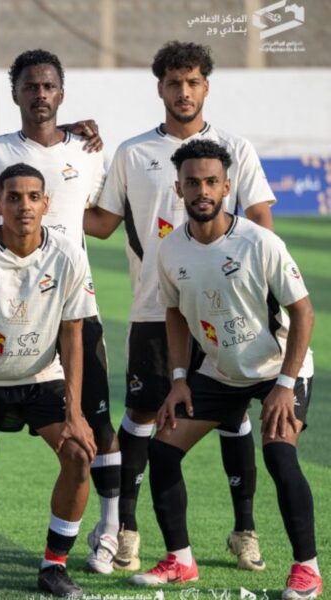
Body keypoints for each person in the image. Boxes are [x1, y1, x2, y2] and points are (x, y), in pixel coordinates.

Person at [85, 41, 275, 573]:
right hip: (154, 308)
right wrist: (53, 190)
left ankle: (244, 531)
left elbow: (260, 219)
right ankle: (126, 530)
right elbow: (102, 223)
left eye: (192, 82)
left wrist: (260, 291)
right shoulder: (132, 153)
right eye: (174, 82)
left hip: (223, 314)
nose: (183, 91)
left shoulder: (235, 147)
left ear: (206, 86)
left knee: (231, 415)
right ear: (160, 88)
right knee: (143, 413)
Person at [0, 48, 118, 576]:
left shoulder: (87, 151)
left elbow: (104, 220)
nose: (40, 94)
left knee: (93, 427)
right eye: (30, 86)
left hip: (68, 307)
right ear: (15, 93)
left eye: (48, 86)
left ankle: (112, 530)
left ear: (62, 93)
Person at [129, 138, 319, 600]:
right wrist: (179, 379)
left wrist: (285, 384)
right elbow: (174, 314)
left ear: (227, 187)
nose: (202, 190)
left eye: (211, 181)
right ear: (178, 188)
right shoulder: (170, 250)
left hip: (278, 369)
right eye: (192, 182)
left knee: (279, 454)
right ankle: (180, 561)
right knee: (163, 449)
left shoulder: (260, 242)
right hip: (220, 370)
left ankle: (307, 570)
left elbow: (303, 312)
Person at [0, 163, 98, 599]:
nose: (23, 205)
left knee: (80, 454)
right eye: (13, 197)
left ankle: (54, 566)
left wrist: (75, 413)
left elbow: (73, 335)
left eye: (32, 197)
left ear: (46, 204)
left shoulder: (68, 254)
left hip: (40, 376)